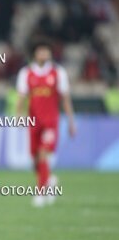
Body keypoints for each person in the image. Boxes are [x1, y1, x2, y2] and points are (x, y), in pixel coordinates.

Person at [16, 40, 76, 207]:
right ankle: (48, 179)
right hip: (33, 122)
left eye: (46, 51)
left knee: (43, 153)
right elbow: (21, 97)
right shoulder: (26, 73)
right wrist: (18, 115)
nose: (44, 54)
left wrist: (71, 121)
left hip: (51, 122)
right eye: (40, 51)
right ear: (35, 54)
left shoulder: (58, 73)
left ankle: (41, 192)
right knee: (34, 159)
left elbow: (65, 99)